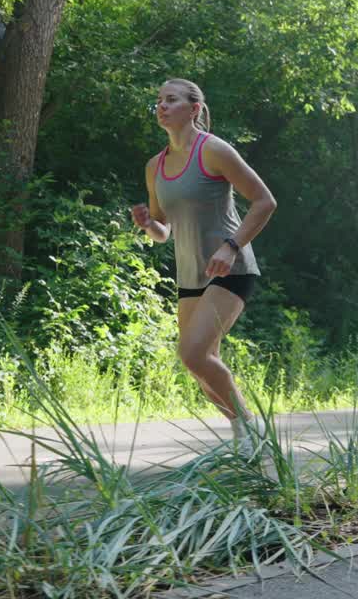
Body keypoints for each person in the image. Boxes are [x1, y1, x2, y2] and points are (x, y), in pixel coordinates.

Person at [130, 78, 277, 446]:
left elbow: (264, 202)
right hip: (191, 274)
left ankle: (249, 426)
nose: (162, 106)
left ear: (193, 109)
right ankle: (247, 437)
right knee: (200, 368)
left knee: (193, 354)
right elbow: (165, 230)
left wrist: (231, 247)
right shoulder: (155, 166)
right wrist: (149, 224)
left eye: (172, 100)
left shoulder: (214, 151)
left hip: (231, 267)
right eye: (159, 101)